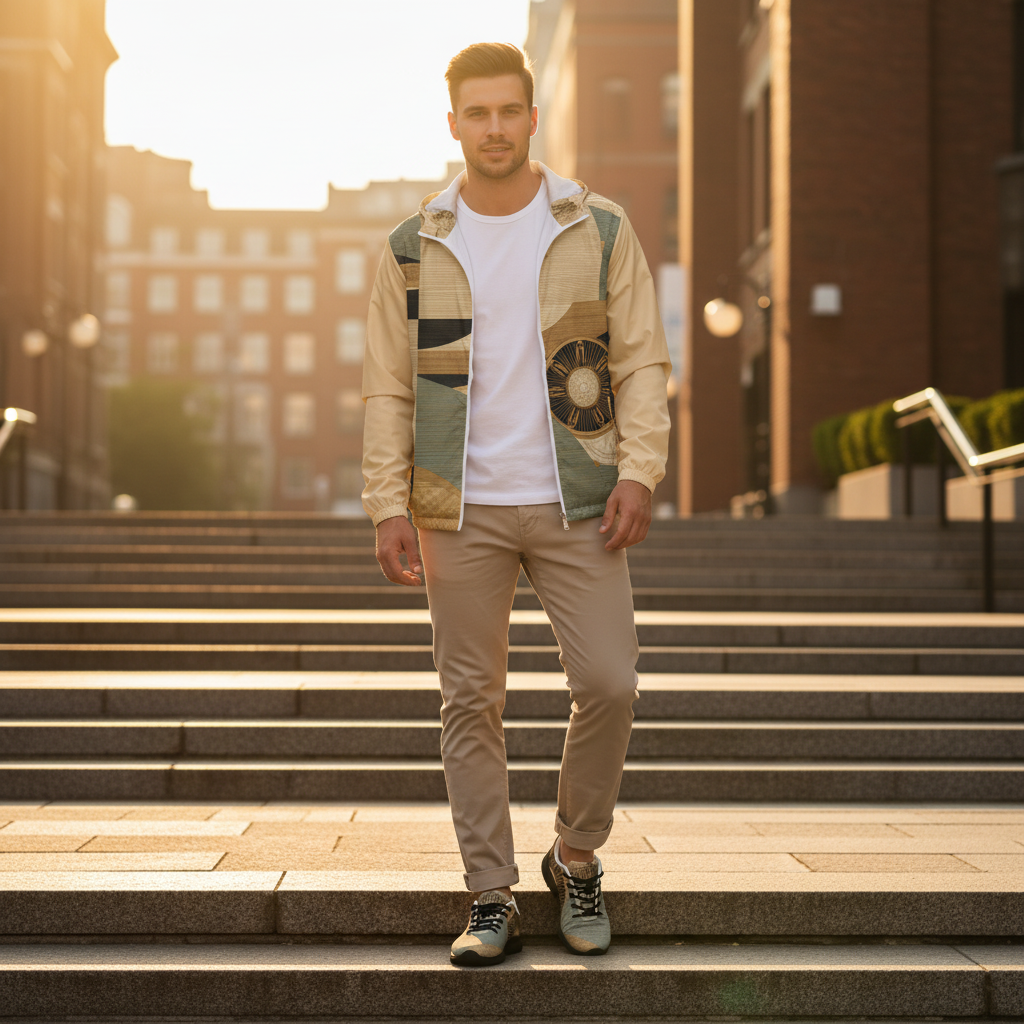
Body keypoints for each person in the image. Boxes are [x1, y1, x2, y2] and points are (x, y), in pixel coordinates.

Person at [361, 41, 670, 967]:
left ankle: (575, 858)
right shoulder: (417, 245)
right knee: (470, 700)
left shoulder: (596, 226)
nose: (494, 128)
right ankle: (488, 893)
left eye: (509, 111)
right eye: (476, 113)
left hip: (578, 498)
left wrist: (640, 470)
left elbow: (641, 360)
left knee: (610, 682)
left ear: (533, 118)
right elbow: (387, 385)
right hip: (458, 507)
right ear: (453, 122)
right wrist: (386, 501)